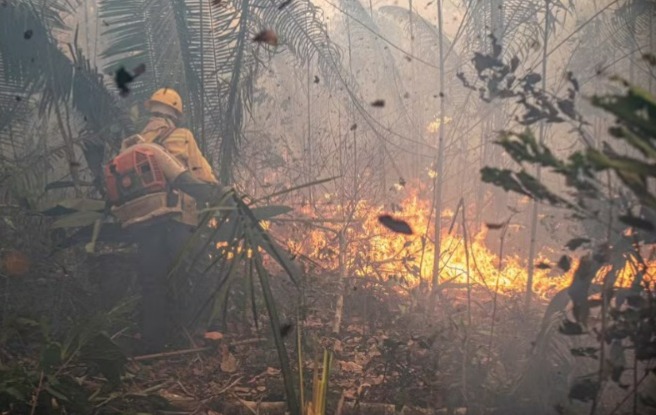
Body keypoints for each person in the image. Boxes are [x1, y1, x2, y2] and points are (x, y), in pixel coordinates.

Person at [105, 89, 227, 353]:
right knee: (197, 269)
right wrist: (220, 193)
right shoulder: (182, 136)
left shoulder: (131, 144)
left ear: (151, 112)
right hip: (177, 220)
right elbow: (203, 178)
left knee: (152, 281)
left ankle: (153, 341)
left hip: (142, 225)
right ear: (176, 115)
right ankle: (201, 330)